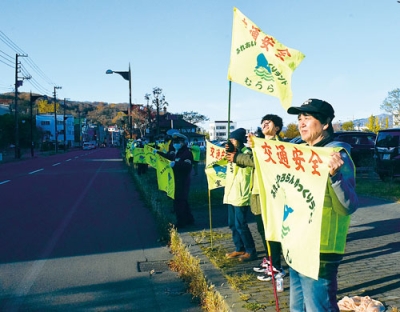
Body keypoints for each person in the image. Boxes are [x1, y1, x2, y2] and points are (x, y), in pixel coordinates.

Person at [286, 98, 359, 311]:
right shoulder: (298, 153)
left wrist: (335, 177)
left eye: (307, 118)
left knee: (318, 308)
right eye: (299, 119)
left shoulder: (336, 156)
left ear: (325, 123)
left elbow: (348, 206)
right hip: (296, 243)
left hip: (321, 250)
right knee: (297, 308)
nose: (301, 123)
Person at [226, 115, 286, 280]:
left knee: (270, 231)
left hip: (269, 193)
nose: (265, 124)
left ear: (277, 128)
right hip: (257, 191)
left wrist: (238, 157)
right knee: (262, 230)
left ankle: (276, 267)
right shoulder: (260, 144)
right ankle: (269, 261)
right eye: (263, 122)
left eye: (269, 122)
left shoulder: (277, 146)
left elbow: (260, 161)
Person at [224, 128, 257, 262]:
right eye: (230, 139)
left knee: (241, 224)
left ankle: (250, 250)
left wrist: (236, 155)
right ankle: (239, 248)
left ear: (239, 140)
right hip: (231, 193)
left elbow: (247, 164)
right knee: (232, 224)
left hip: (241, 193)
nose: (231, 142)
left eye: (233, 139)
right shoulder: (230, 153)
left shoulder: (246, 153)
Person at [157, 132, 195, 228]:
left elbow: (187, 166)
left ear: (183, 142)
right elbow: (168, 157)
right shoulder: (175, 152)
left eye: (177, 142)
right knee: (183, 201)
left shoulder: (187, 153)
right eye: (174, 142)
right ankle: (189, 219)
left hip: (183, 180)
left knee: (179, 201)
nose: (175, 144)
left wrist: (176, 164)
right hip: (175, 180)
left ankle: (181, 222)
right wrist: (157, 153)